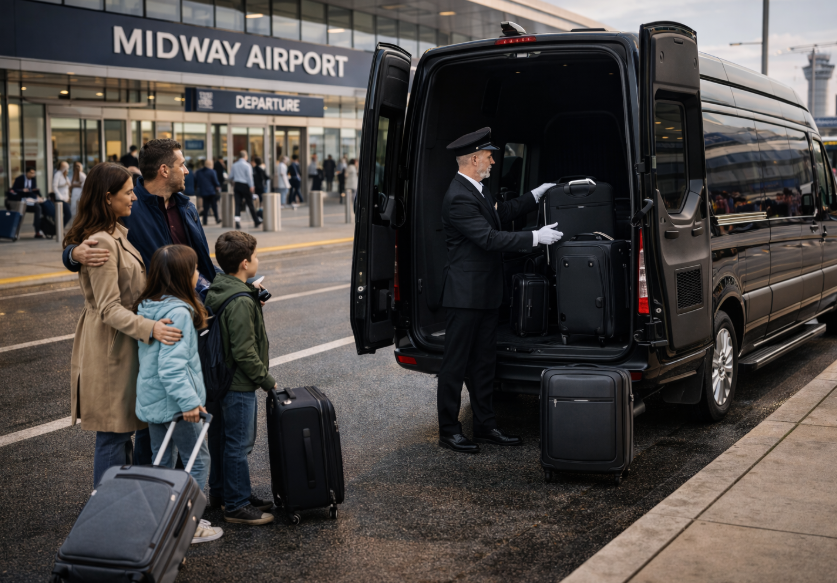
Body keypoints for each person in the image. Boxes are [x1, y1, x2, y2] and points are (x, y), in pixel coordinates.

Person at [437, 127, 561, 453]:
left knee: (483, 365)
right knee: (454, 366)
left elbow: (501, 213)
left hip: (485, 294)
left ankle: (485, 426)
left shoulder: (477, 189)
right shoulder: (458, 196)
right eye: (489, 155)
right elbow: (489, 238)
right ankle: (449, 431)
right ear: (475, 158)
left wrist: (535, 194)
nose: (494, 160)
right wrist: (536, 238)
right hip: (464, 297)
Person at [63, 163, 183, 487]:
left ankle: (126, 504)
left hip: (125, 343)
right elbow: (108, 308)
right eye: (128, 192)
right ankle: (107, 508)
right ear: (107, 198)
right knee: (113, 434)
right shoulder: (102, 242)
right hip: (110, 347)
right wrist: (152, 328)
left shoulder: (117, 232)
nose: (134, 198)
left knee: (127, 429)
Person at [134, 244, 224, 544]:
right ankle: (190, 523)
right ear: (182, 275)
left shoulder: (149, 307)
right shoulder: (179, 313)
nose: (199, 273)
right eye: (195, 268)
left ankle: (167, 519)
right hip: (178, 405)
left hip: (155, 402)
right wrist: (190, 404)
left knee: (162, 462)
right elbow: (171, 369)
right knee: (197, 461)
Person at [62, 139, 216, 303]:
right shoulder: (126, 207)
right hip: (157, 313)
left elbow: (203, 263)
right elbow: (76, 243)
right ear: (164, 170)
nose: (186, 171)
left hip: (197, 304)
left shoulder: (187, 208)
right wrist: (74, 254)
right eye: (181, 165)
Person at [205, 231, 276, 525]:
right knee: (239, 444)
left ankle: (224, 493)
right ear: (245, 263)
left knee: (221, 439)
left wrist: (248, 294)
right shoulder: (241, 302)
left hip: (219, 380)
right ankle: (236, 504)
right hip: (238, 384)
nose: (257, 260)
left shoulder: (221, 288)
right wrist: (268, 382)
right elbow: (245, 352)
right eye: (256, 256)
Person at [8, 168, 46, 238]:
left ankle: (37, 230)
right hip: (20, 201)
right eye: (31, 173)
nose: (33, 174)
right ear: (27, 173)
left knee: (39, 208)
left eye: (34, 173)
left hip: (30, 201)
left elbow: (34, 190)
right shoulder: (19, 179)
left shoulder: (33, 179)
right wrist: (22, 190)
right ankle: (14, 232)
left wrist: (38, 196)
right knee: (20, 214)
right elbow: (14, 189)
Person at [231, 150, 260, 229]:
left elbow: (231, 176)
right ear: (245, 156)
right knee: (250, 204)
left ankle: (237, 222)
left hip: (237, 186)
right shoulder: (247, 165)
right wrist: (252, 186)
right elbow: (249, 177)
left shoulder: (234, 165)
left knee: (237, 204)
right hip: (245, 186)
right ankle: (256, 221)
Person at [195, 158, 222, 225]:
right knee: (214, 206)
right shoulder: (212, 172)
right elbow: (216, 182)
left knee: (205, 206)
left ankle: (205, 221)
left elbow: (197, 182)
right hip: (211, 192)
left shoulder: (199, 172)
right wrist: (218, 186)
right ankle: (217, 219)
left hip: (203, 192)